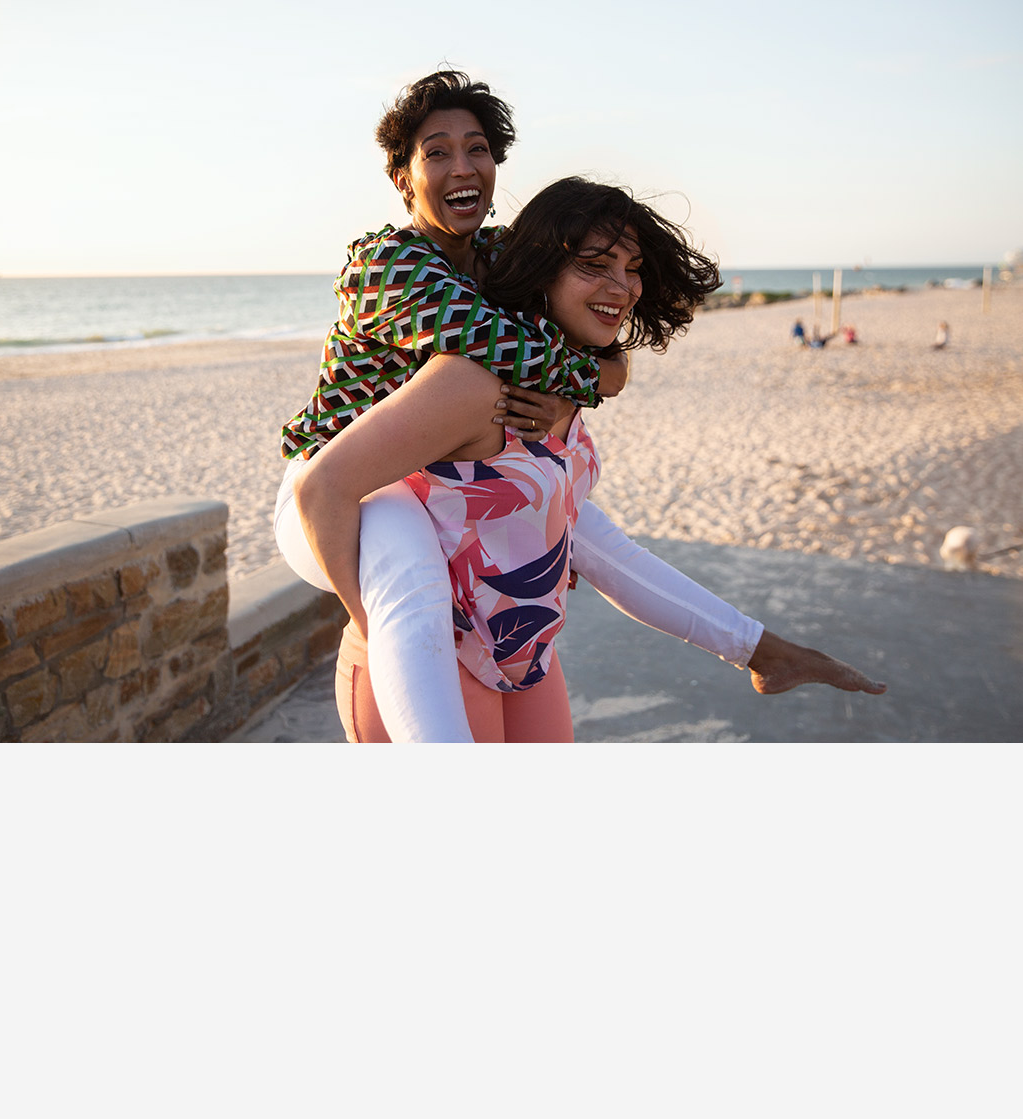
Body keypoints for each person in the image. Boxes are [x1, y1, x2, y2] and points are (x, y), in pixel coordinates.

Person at [275, 70, 885, 742]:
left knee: (580, 523)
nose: (462, 165)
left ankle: (759, 650)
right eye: (437, 152)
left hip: (437, 473)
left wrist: (607, 367)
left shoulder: (501, 255)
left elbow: (581, 314)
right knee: (410, 568)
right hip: (342, 479)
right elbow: (509, 348)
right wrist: (599, 376)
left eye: (477, 148)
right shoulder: (390, 266)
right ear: (402, 178)